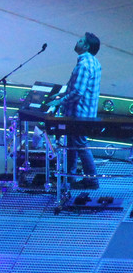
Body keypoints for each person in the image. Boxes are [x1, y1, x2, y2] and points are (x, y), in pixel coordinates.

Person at [48, 32, 101, 189]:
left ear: (85, 46)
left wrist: (60, 101)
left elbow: (78, 92)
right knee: (72, 143)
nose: (77, 42)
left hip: (80, 114)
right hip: (84, 112)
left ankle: (92, 180)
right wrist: (63, 93)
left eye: (80, 41)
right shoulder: (94, 62)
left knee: (80, 145)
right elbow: (77, 86)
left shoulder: (84, 65)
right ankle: (68, 176)